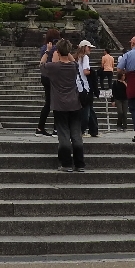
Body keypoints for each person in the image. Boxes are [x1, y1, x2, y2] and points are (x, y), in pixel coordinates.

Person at [41, 38, 86, 172]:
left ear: (58, 52)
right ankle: (79, 163)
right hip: (75, 103)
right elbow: (73, 61)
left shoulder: (54, 67)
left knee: (64, 134)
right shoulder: (73, 67)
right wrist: (66, 51)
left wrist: (48, 51)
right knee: (76, 134)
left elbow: (41, 64)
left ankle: (66, 163)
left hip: (60, 104)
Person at [35, 29, 61, 137]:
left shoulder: (44, 47)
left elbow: (42, 62)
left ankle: (40, 127)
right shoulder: (56, 48)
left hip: (44, 76)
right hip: (53, 77)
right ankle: (56, 128)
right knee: (56, 102)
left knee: (48, 102)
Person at [76, 40, 97, 137]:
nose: (90, 49)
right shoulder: (85, 57)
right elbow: (85, 71)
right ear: (84, 47)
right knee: (86, 110)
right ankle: (82, 130)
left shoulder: (76, 57)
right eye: (89, 47)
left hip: (77, 86)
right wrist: (92, 72)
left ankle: (92, 129)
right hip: (84, 86)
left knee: (85, 109)